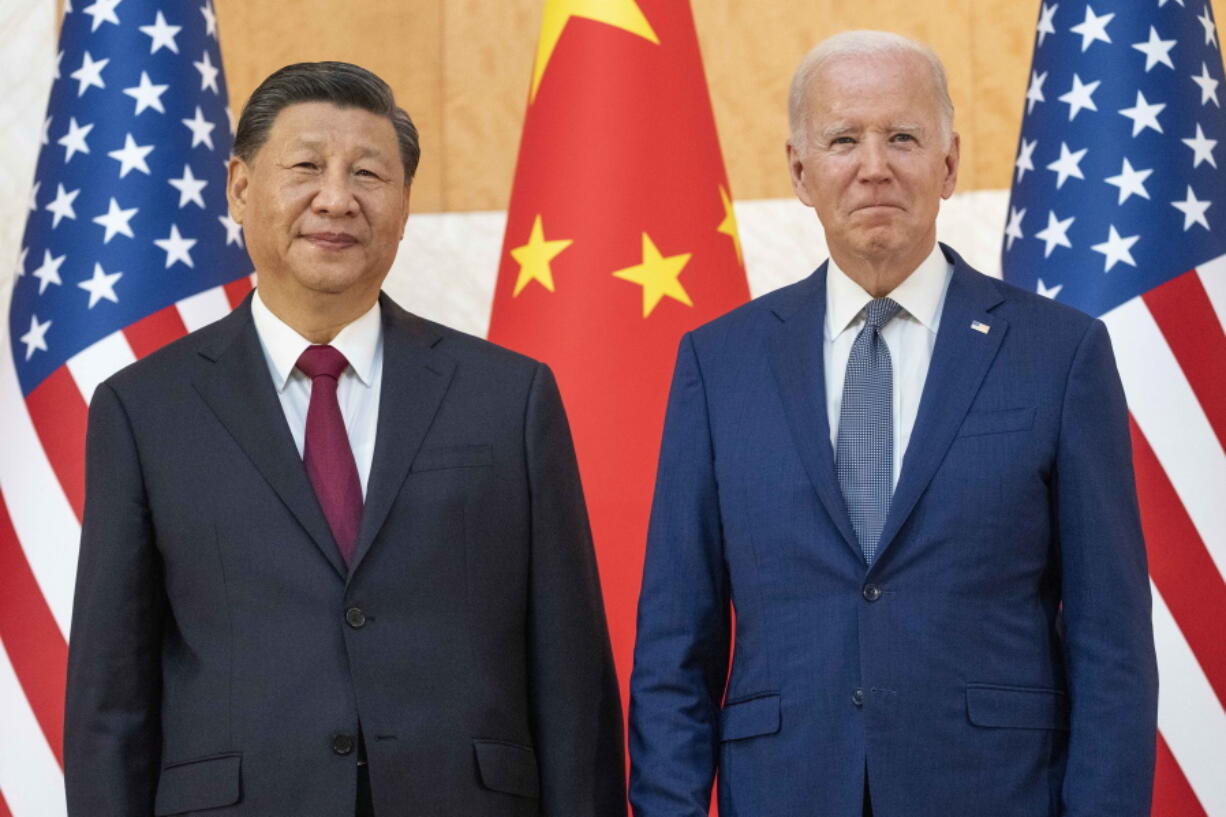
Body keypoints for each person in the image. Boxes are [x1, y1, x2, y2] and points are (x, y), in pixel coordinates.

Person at [64, 61, 625, 817]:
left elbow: (573, 678)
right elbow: (111, 698)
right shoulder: (144, 409)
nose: (337, 198)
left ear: (402, 204)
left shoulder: (508, 396)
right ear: (239, 188)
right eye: (305, 167)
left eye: (368, 173)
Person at [628, 30, 1157, 817]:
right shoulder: (719, 362)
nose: (874, 165)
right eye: (844, 139)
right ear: (800, 171)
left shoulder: (1061, 353)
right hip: (784, 791)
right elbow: (676, 643)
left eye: (902, 137)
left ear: (947, 165)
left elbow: (1110, 641)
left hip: (995, 792)